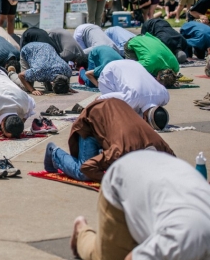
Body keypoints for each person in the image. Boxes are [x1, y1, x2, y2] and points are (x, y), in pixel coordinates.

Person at [70, 151, 210, 260]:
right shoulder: (181, 242)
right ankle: (81, 232)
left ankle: (144, 243)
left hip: (160, 172)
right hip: (123, 180)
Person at [44, 98, 174, 182]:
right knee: (83, 174)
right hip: (92, 122)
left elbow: (176, 166)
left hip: (113, 112)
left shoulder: (160, 146)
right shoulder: (121, 150)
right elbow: (87, 167)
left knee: (113, 164)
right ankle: (53, 151)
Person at [98, 60, 170, 127]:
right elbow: (101, 99)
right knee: (116, 112)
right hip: (110, 71)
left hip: (134, 63)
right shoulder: (132, 99)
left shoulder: (165, 96)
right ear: (144, 118)